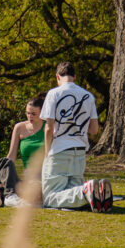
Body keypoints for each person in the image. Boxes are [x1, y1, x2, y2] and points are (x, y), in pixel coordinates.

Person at [40, 62, 112, 212]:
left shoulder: (54, 93)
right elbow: (94, 129)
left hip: (60, 149)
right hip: (79, 150)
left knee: (50, 197)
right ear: (74, 77)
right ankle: (96, 192)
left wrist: (47, 153)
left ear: (57, 76)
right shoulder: (88, 96)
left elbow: (48, 128)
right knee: (71, 195)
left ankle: (85, 191)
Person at [8, 95, 46, 171]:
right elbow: (11, 155)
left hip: (47, 174)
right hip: (29, 176)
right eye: (28, 113)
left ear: (42, 113)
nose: (30, 116)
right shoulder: (19, 127)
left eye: (33, 114)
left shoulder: (49, 127)